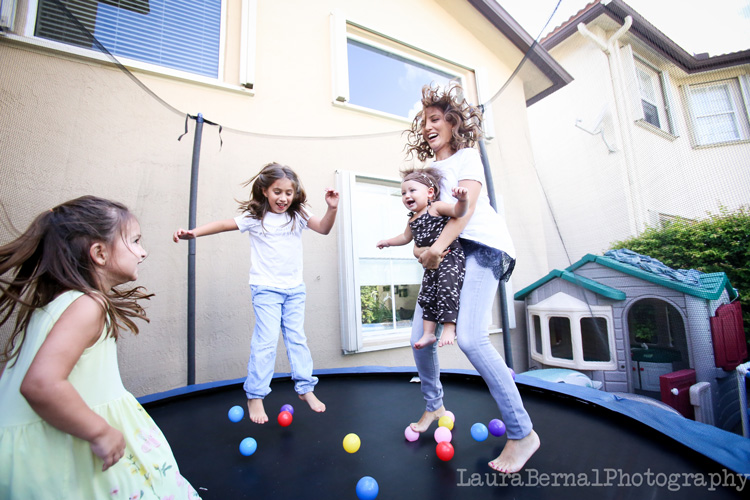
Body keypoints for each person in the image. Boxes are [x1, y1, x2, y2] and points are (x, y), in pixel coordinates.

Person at [0, 196, 201, 499]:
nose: (143, 252)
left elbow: (9, 374)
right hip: (66, 449)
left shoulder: (48, 308)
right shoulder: (89, 305)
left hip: (31, 456)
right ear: (99, 253)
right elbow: (39, 384)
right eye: (135, 241)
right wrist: (99, 430)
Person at [404, 84, 540, 473]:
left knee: (471, 337)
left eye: (435, 119)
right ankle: (434, 407)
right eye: (423, 121)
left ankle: (522, 432)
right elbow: (423, 224)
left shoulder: (467, 157)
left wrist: (434, 250)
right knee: (418, 337)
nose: (428, 126)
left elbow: (465, 212)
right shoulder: (426, 174)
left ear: (452, 122)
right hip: (450, 255)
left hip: (482, 247)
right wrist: (421, 250)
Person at [173, 162, 338, 425]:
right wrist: (194, 233)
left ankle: (305, 389)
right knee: (266, 341)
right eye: (277, 192)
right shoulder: (255, 217)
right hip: (266, 289)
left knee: (297, 339)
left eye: (288, 193)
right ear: (264, 191)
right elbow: (223, 224)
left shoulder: (299, 213)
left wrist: (332, 208)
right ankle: (256, 395)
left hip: (295, 289)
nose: (283, 198)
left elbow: (324, 228)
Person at [376, 167, 468, 349]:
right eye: (403, 193)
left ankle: (450, 327)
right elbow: (404, 238)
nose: (407, 195)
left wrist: (462, 200)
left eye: (412, 190)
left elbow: (458, 212)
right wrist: (387, 242)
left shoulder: (436, 207)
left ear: (430, 193)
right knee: (427, 295)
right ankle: (428, 333)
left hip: (449, 256)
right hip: (430, 264)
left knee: (446, 287)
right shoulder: (412, 220)